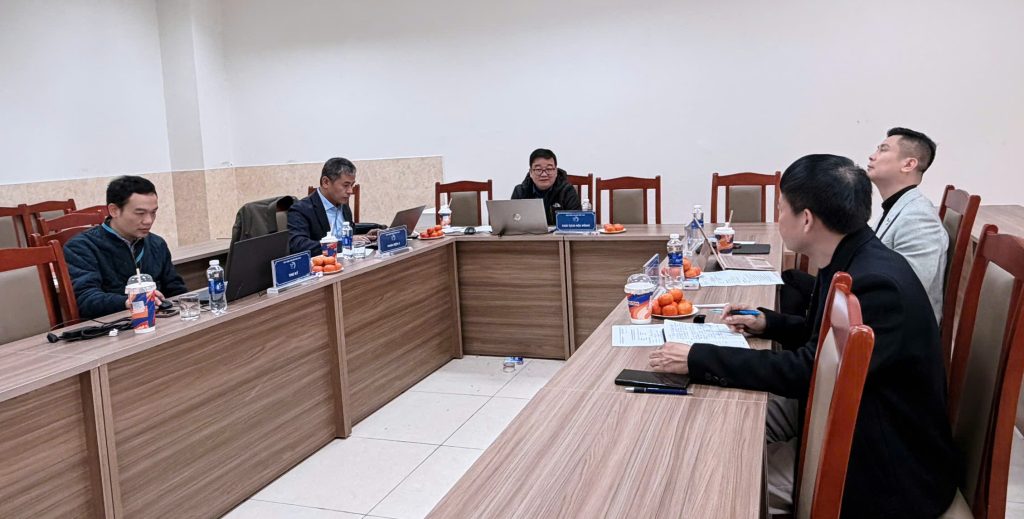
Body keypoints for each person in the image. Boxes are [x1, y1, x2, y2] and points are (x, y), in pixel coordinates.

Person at [649, 155, 957, 518]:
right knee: (711, 418)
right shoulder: (852, 256)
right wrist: (769, 323)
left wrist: (696, 357)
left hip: (885, 470)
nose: (777, 217)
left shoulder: (876, 285)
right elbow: (828, 341)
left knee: (711, 475)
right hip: (843, 418)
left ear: (807, 219)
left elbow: (809, 371)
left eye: (781, 208)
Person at [780, 127, 947, 326]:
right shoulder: (896, 207)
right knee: (791, 279)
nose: (872, 156)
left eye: (883, 149)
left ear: (909, 164)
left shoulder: (919, 216)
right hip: (869, 301)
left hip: (889, 324)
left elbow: (907, 290)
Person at [65, 176, 187, 319]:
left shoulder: (156, 243)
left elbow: (176, 289)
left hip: (160, 321)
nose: (148, 221)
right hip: (113, 325)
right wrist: (130, 301)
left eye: (153, 212)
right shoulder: (82, 246)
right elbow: (86, 300)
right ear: (114, 210)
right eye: (140, 213)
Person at [288, 157, 385, 255]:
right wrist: (343, 244)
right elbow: (298, 246)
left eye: (352, 185)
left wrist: (365, 237)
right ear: (326, 182)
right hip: (323, 263)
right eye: (345, 185)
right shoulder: (301, 209)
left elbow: (347, 234)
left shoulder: (344, 206)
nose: (350, 191)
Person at [511, 148, 582, 224]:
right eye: (538, 169)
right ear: (530, 172)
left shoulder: (567, 190)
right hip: (529, 232)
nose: (544, 174)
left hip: (558, 232)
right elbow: (513, 222)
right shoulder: (520, 192)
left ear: (556, 171)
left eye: (549, 169)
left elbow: (577, 222)